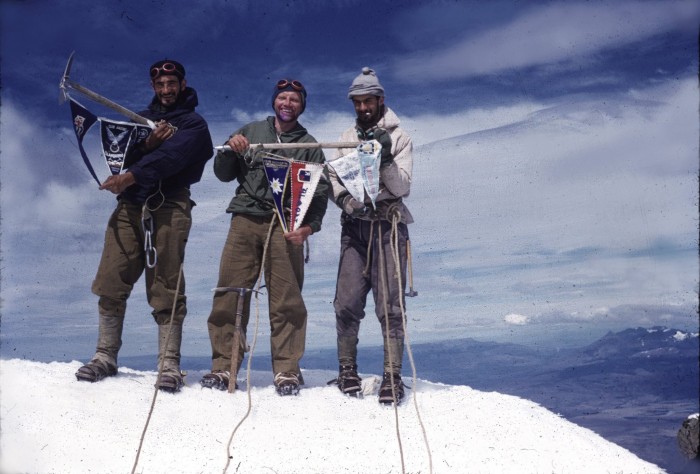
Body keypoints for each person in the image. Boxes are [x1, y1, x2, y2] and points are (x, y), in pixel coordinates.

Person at [76, 59, 213, 392]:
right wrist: (146, 145)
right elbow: (121, 155)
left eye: (171, 83)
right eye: (160, 85)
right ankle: (105, 356)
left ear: (182, 84)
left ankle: (169, 365)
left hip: (169, 206)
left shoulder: (194, 125)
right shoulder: (141, 122)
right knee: (111, 278)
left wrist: (131, 174)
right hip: (130, 206)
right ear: (154, 87)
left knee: (166, 284)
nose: (166, 90)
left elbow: (171, 159)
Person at [201, 78, 328, 396]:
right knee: (230, 292)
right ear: (274, 101)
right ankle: (223, 368)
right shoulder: (251, 130)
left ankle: (287, 370)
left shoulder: (309, 144)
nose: (288, 103)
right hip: (244, 221)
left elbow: (320, 192)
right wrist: (231, 150)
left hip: (286, 226)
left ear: (302, 106)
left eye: (295, 99)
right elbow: (222, 173)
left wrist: (308, 227)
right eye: (283, 97)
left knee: (287, 299)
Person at [328, 67, 413, 404]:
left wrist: (386, 156)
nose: (363, 108)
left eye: (368, 101)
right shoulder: (346, 138)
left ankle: (392, 377)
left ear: (381, 100)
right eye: (357, 102)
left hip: (389, 227)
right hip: (356, 229)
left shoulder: (400, 136)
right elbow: (335, 177)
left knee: (391, 305)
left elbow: (403, 186)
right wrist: (348, 204)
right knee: (346, 302)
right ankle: (347, 369)